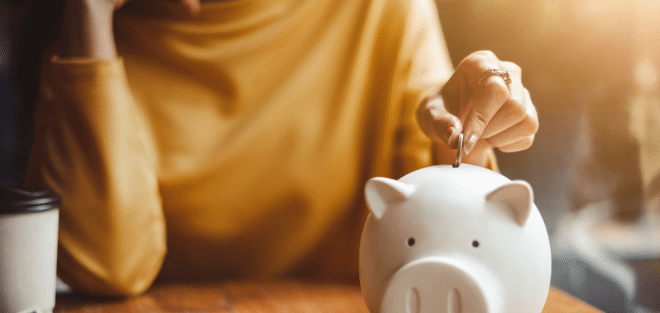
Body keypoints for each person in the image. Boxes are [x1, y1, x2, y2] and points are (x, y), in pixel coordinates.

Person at [17, 0, 539, 296]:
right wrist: (87, 13)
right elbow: (106, 267)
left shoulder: (378, 10)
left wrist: (468, 130)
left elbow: (442, 226)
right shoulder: (89, 44)